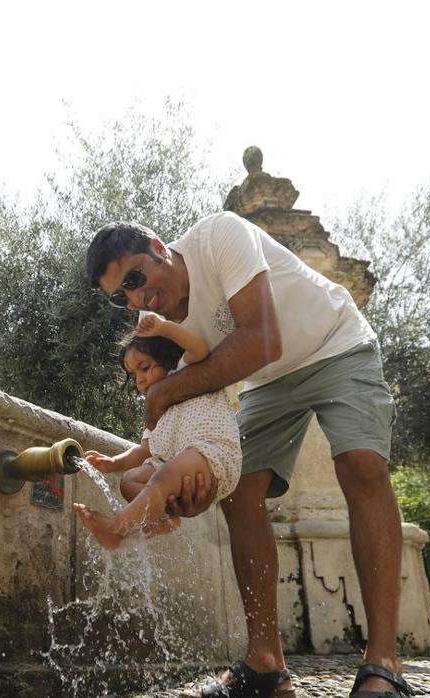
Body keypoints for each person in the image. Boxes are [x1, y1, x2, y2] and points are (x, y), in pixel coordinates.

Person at [86, 214, 408, 698]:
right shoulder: (154, 321)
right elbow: (191, 403)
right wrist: (193, 487)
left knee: (361, 465)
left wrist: (163, 394)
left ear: (158, 247)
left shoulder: (219, 235)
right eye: (120, 295)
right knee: (238, 494)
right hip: (266, 381)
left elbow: (260, 339)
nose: (135, 298)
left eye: (135, 278)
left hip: (336, 344)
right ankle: (266, 666)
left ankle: (383, 663)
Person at [73, 313, 241, 549]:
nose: (140, 380)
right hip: (177, 465)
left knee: (162, 476)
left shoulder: (187, 370)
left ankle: (118, 529)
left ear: (167, 357)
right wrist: (113, 463)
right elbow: (144, 450)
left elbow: (199, 348)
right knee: (130, 480)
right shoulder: (157, 408)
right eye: (134, 376)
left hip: (213, 451)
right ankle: (163, 520)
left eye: (145, 367)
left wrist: (164, 327)